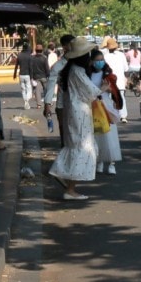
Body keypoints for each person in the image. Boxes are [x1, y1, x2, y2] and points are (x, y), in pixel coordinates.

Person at [45, 37, 100, 200]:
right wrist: (103, 88)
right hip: (77, 111)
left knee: (75, 144)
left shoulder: (69, 66)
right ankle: (69, 186)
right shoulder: (75, 69)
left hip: (73, 109)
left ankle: (65, 177)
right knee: (81, 146)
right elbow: (91, 91)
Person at [92, 50, 123, 174]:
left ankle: (111, 163)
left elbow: (114, 91)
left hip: (106, 107)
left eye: (101, 60)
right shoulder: (88, 74)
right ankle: (99, 160)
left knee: (109, 135)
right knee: (97, 134)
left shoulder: (108, 75)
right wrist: (101, 89)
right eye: (97, 60)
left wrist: (108, 88)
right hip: (94, 106)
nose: (100, 62)